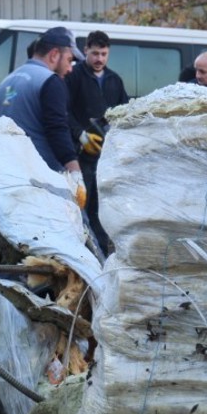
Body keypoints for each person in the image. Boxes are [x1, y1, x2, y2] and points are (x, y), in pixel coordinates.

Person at [67, 30, 129, 254]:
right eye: (95, 53)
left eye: (103, 54)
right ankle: (82, 250)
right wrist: (80, 134)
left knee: (101, 208)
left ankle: (102, 251)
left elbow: (124, 111)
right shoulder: (73, 76)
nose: (99, 59)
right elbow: (62, 111)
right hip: (80, 157)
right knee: (81, 207)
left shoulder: (114, 80)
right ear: (85, 51)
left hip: (107, 157)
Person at [0, 27, 81, 175]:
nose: (70, 69)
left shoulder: (6, 82)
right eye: (69, 60)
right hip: (41, 178)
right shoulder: (50, 81)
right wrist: (75, 171)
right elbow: (57, 129)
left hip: (8, 174)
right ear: (54, 55)